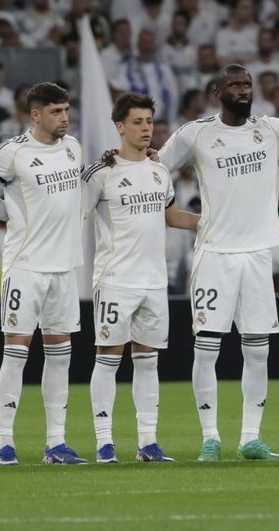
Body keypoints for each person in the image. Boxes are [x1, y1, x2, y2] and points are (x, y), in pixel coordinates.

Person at [157, 64, 279, 461]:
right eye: (234, 84)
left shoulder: (271, 128)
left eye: (247, 84)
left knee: (257, 349)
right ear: (217, 91)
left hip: (256, 255)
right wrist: (168, 207)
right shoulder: (195, 134)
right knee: (207, 348)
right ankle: (210, 438)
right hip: (214, 253)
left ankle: (250, 437)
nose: (243, 89)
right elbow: (153, 167)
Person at [82, 93, 200, 464]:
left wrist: (213, 223)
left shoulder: (158, 170)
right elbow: (72, 217)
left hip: (154, 281)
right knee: (108, 358)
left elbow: (173, 216)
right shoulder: (100, 173)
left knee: (148, 360)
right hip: (115, 278)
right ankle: (104, 442)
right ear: (119, 127)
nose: (146, 128)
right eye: (137, 122)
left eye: (149, 121)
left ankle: (147, 442)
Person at [0, 82, 87, 466]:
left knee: (60, 356)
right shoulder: (11, 153)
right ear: (35, 115)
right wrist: (18, 215)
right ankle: (5, 443)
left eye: (67, 110)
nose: (65, 118)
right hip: (24, 266)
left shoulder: (74, 148)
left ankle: (55, 443)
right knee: (16, 352)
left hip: (64, 267)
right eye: (56, 112)